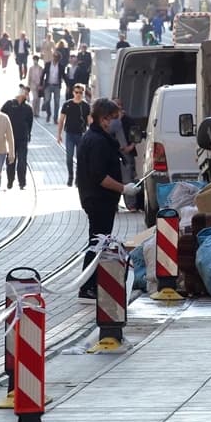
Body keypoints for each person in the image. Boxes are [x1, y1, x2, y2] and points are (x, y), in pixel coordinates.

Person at [75, 98, 139, 300]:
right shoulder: (98, 141)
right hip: (99, 200)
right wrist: (124, 189)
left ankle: (92, 284)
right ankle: (88, 286)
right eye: (113, 118)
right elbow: (100, 176)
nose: (115, 122)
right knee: (98, 243)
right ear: (103, 119)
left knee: (98, 241)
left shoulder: (96, 137)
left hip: (97, 199)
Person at [57, 84, 91, 187]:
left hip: (81, 135)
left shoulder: (85, 106)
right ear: (73, 93)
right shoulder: (67, 104)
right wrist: (59, 134)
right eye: (76, 92)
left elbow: (90, 122)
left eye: (80, 92)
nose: (78, 94)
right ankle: (70, 176)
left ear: (83, 93)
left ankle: (77, 178)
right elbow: (61, 120)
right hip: (70, 135)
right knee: (69, 157)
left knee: (80, 158)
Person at [2, 85, 34, 191]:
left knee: (22, 161)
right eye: (25, 92)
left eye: (27, 93)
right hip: (10, 138)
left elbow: (30, 123)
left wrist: (28, 134)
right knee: (10, 160)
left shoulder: (28, 108)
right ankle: (10, 180)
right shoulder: (9, 104)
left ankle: (22, 182)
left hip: (23, 138)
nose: (26, 94)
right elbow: (1, 117)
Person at [108, 97, 137, 184]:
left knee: (128, 179)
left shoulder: (129, 120)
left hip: (127, 154)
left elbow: (136, 136)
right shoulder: (108, 122)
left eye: (119, 105)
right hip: (113, 154)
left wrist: (130, 147)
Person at [40, 56, 62, 124]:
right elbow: (43, 74)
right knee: (47, 100)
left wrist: (68, 85)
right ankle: (48, 114)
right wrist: (41, 84)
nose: (55, 58)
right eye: (54, 57)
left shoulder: (61, 66)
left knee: (57, 102)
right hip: (48, 85)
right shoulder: (48, 64)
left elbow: (63, 75)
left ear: (59, 59)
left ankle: (55, 118)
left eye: (57, 57)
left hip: (57, 86)